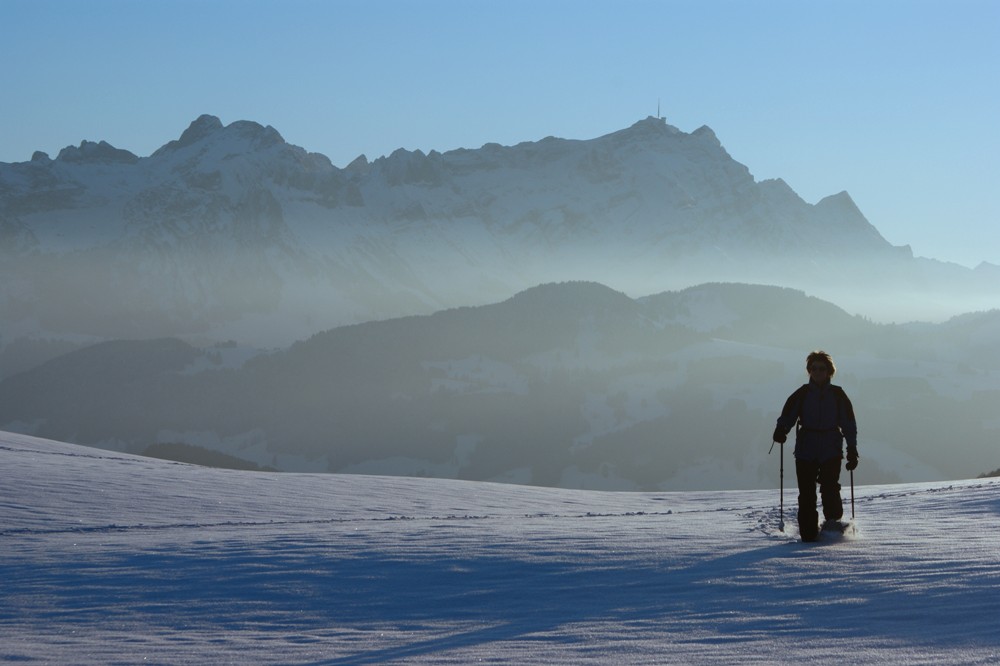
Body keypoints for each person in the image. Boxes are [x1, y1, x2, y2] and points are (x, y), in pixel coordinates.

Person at [772, 351, 858, 542]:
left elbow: (849, 424)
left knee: (830, 489)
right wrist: (781, 429)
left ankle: (831, 529)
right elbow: (788, 416)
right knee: (807, 493)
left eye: (822, 368)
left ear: (829, 371)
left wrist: (852, 449)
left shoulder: (837, 395)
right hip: (808, 449)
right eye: (814, 368)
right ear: (809, 371)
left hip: (827, 448)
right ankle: (810, 534)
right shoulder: (802, 394)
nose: (817, 372)